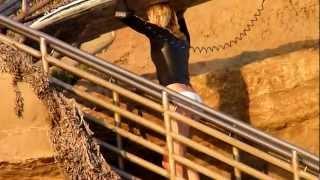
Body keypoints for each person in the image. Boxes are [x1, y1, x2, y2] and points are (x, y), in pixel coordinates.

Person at [115, 1, 202, 179]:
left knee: (174, 160)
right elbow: (181, 16)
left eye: (150, 15)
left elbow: (122, 15)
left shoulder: (159, 35)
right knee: (175, 157)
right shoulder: (183, 38)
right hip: (190, 97)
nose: (148, 19)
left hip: (177, 98)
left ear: (156, 17)